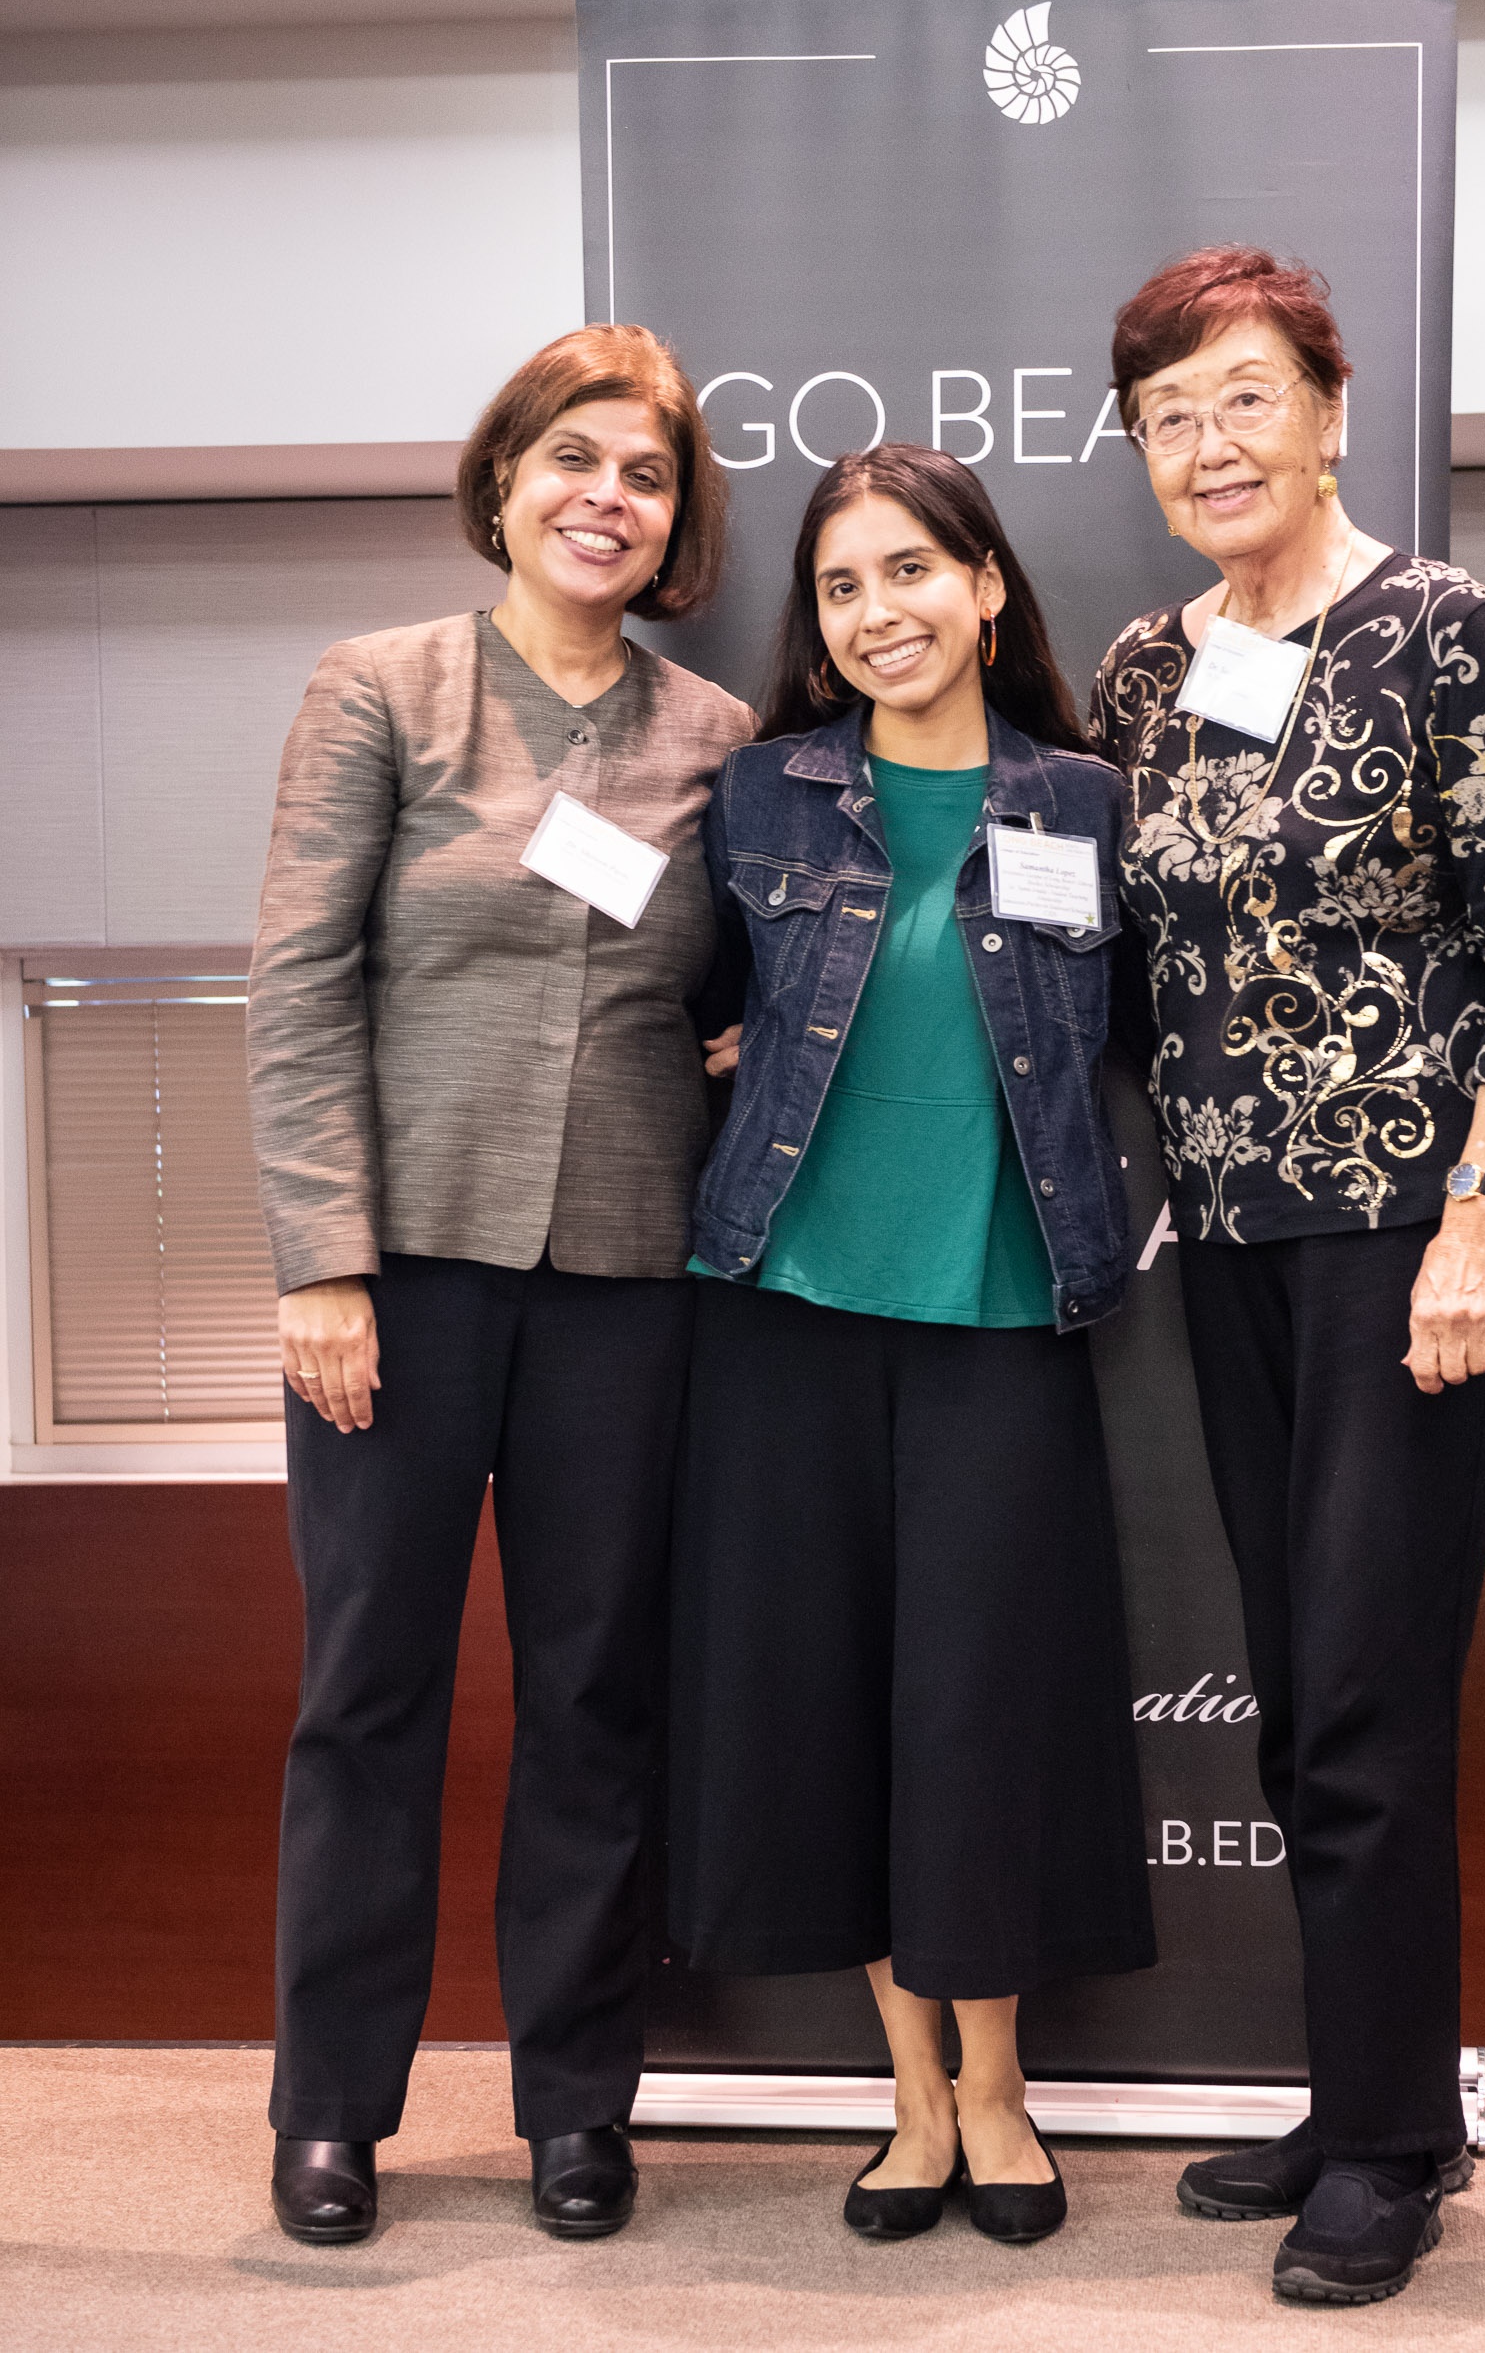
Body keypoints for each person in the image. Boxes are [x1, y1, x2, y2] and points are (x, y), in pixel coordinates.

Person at [1091, 246, 1485, 2307]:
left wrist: (1482, 1211)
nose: (1208, 445)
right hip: (1224, 1232)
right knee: (1301, 1694)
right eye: (1168, 417)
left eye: (1240, 398)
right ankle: (1353, 2084)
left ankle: (1392, 2144)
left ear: (1326, 406)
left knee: (1370, 1694)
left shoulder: (1441, 627)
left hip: (1410, 1232)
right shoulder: (1146, 667)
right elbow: (1098, 948)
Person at [246, 325, 754, 2248]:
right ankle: (332, 2111)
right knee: (365, 1696)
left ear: (674, 517)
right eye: (572, 459)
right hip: (395, 1288)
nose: (603, 497)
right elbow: (299, 988)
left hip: (626, 1282)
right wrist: (323, 1265)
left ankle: (576, 2105)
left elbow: (738, 992)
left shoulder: (713, 736)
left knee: (595, 1698)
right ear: (505, 479)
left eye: (641, 474)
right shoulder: (380, 691)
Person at [672, 444, 1155, 2247]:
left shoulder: (1082, 802)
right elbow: (687, 1011)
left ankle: (1004, 2088)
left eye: (908, 573)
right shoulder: (766, 795)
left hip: (1002, 1320)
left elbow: (1141, 1042)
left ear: (988, 586)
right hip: (786, 1316)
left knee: (980, 1710)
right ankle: (911, 2100)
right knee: (840, 1702)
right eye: (840, 587)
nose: (877, 614)